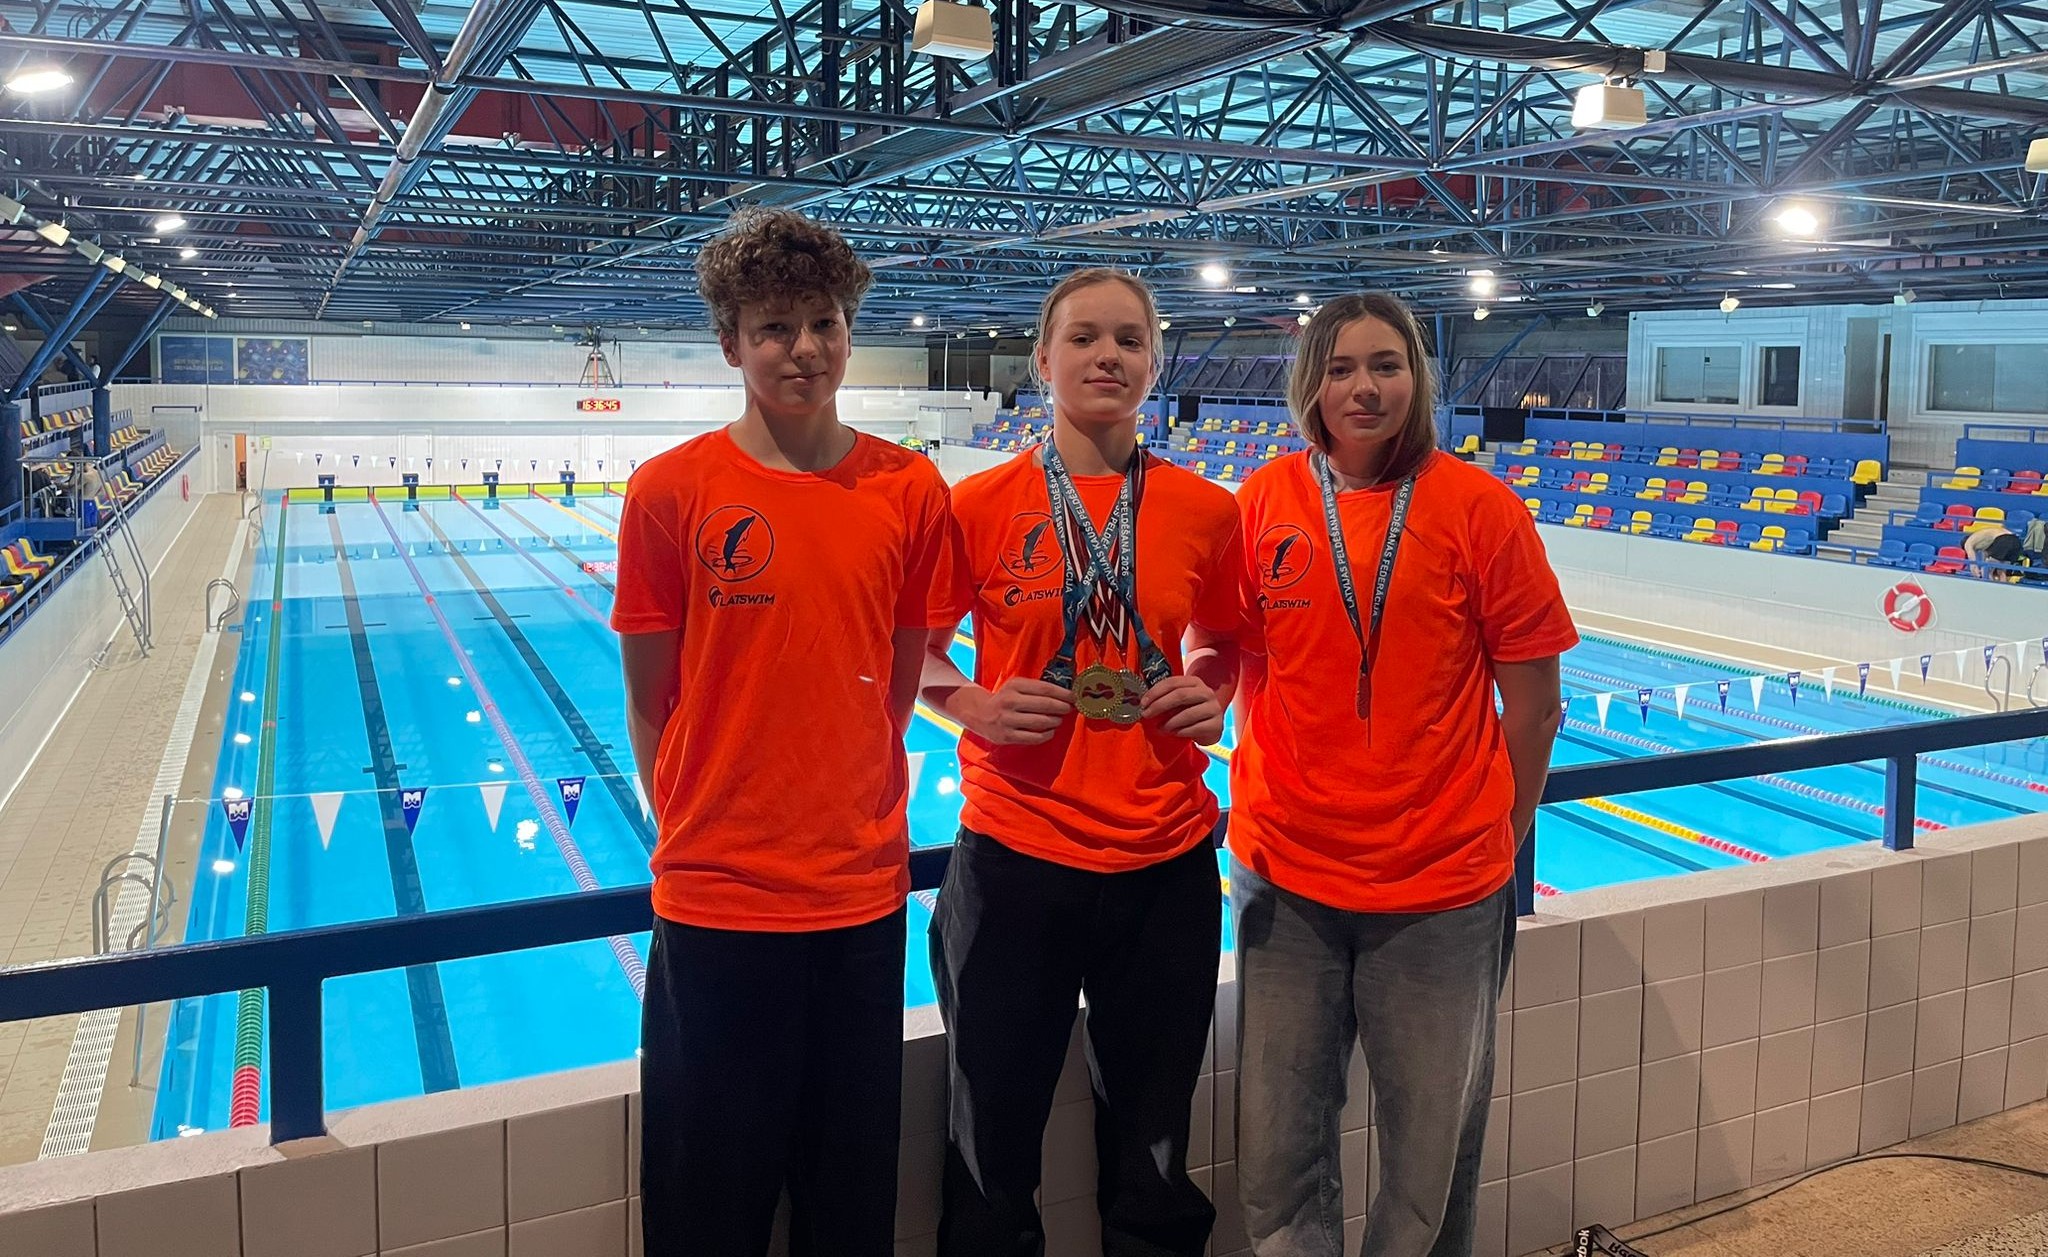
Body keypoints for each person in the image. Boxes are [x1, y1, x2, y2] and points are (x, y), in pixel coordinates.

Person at [612, 206, 956, 1257]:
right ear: (732, 345)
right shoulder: (670, 491)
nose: (803, 348)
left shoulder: (908, 489)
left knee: (848, 1204)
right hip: (717, 897)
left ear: (850, 331)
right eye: (773, 328)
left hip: (858, 895)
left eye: (823, 322)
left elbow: (900, 680)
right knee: (706, 1207)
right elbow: (649, 701)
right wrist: (700, 827)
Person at [1229, 292, 1577, 1257]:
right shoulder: (1264, 501)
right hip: (1286, 881)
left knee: (1428, 1170)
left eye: (1386, 364)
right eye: (1340, 368)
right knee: (1277, 1163)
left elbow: (1534, 707)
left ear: (1417, 379)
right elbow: (1244, 665)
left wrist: (1491, 840)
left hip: (1439, 894)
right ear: (1311, 385)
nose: (1364, 387)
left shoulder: (1481, 510)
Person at [920, 267, 1244, 1257]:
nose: (1108, 356)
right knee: (990, 1145)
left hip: (1164, 866)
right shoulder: (977, 505)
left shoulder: (1205, 510)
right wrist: (972, 703)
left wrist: (1210, 687)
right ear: (1042, 360)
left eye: (1129, 340)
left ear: (1155, 363)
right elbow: (916, 655)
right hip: (1013, 859)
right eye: (1085, 338)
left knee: (1154, 1150)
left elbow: (1225, 639)